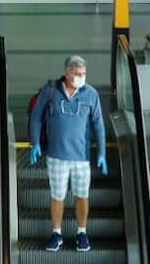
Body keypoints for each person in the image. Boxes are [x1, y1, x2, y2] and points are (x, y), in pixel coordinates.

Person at [29, 55, 107, 253]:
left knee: (82, 195)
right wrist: (35, 143)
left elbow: (98, 124)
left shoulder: (91, 94)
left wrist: (102, 153)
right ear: (66, 73)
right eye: (77, 74)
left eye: (83, 74)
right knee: (58, 196)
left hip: (81, 157)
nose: (81, 77)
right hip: (56, 156)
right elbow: (36, 116)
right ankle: (56, 233)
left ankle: (81, 232)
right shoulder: (51, 91)